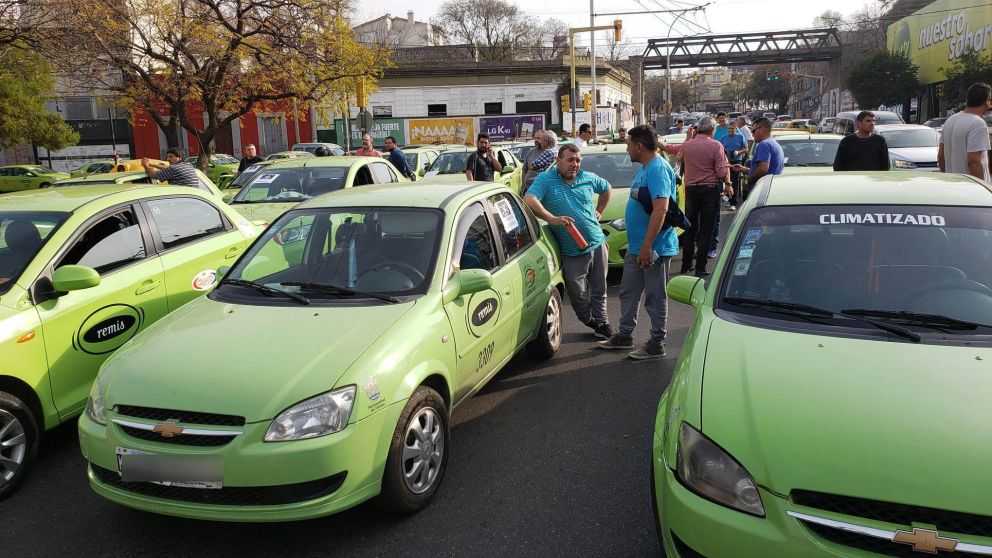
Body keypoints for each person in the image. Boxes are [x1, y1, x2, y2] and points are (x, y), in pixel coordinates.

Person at [597, 125, 678, 359]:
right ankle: (624, 336)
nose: (627, 148)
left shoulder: (658, 169)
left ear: (640, 146)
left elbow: (661, 209)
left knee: (655, 296)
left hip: (653, 248)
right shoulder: (645, 167)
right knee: (628, 292)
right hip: (637, 247)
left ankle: (656, 342)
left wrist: (647, 245)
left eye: (629, 144)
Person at [525, 144, 613, 339]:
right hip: (572, 251)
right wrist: (551, 218)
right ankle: (588, 319)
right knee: (578, 294)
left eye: (578, 160)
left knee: (599, 288)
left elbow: (607, 188)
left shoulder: (587, 177)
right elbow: (529, 199)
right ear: (558, 161)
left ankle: (602, 323)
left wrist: (600, 210)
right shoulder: (546, 180)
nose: (575, 164)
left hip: (597, 244)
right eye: (570, 160)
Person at [677, 116, 732, 277]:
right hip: (709, 190)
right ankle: (700, 267)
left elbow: (679, 158)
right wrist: (727, 180)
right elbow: (722, 172)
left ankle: (686, 264)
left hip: (691, 190)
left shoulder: (687, 145)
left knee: (690, 228)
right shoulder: (716, 146)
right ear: (712, 130)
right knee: (707, 229)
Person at [938, 82, 992, 182]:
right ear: (987, 102)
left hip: (953, 185)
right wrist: (980, 187)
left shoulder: (950, 120)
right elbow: (974, 161)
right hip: (971, 189)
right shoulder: (978, 124)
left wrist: (948, 179)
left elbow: (941, 156)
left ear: (968, 100)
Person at [731, 117, 783, 200]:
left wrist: (748, 181)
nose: (752, 134)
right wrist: (743, 169)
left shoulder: (764, 144)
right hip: (769, 189)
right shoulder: (773, 143)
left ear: (762, 129)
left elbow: (762, 170)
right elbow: (765, 169)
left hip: (762, 191)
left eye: (753, 131)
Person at [719, 120, 748, 211]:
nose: (731, 130)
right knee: (726, 181)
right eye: (729, 129)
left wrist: (738, 152)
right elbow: (720, 150)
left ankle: (733, 203)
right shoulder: (723, 138)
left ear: (736, 129)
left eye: (733, 129)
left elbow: (746, 149)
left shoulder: (740, 137)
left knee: (735, 182)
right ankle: (728, 199)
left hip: (737, 161)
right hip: (726, 162)